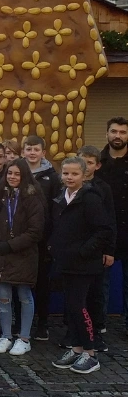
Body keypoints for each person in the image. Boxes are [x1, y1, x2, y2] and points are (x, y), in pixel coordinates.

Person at [50, 156, 111, 375]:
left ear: (84, 175)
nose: (69, 177)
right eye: (66, 173)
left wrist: (84, 251)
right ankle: (76, 348)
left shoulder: (90, 198)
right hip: (66, 262)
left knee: (80, 305)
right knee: (72, 306)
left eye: (74, 174)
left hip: (84, 264)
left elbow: (103, 230)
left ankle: (90, 352)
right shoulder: (61, 197)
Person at [0, 159, 45, 357]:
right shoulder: (2, 196)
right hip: (2, 256)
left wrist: (11, 245)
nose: (12, 177)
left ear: (24, 176)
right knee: (3, 298)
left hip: (23, 254)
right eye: (9, 173)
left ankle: (24, 338)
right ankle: (6, 335)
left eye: (17, 174)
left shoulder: (32, 198)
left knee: (24, 297)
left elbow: (35, 231)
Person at [76, 145, 116, 353]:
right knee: (75, 294)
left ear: (97, 165)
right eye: (82, 161)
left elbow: (109, 222)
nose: (86, 166)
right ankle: (74, 333)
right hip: (74, 249)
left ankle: (96, 331)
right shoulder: (69, 184)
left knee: (97, 292)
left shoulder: (103, 188)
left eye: (90, 162)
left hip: (96, 249)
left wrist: (109, 250)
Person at [23, 134, 61, 341]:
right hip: (22, 237)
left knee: (42, 282)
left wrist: (51, 238)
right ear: (23, 151)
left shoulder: (52, 177)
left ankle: (42, 322)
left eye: (36, 149)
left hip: (43, 238)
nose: (32, 153)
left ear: (43, 153)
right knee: (21, 281)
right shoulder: (17, 173)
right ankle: (21, 322)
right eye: (28, 149)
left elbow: (56, 208)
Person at [98, 117, 128, 327]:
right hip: (104, 232)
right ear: (107, 134)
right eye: (114, 131)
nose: (118, 136)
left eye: (123, 132)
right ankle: (99, 325)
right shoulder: (97, 163)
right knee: (101, 283)